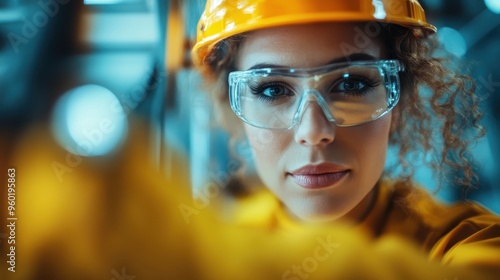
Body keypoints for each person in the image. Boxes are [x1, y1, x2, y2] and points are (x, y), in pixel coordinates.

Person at [192, 0, 500, 273]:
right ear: (234, 108)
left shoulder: (468, 245)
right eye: (273, 89)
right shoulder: (213, 244)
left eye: (351, 85)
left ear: (398, 101)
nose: (313, 132)